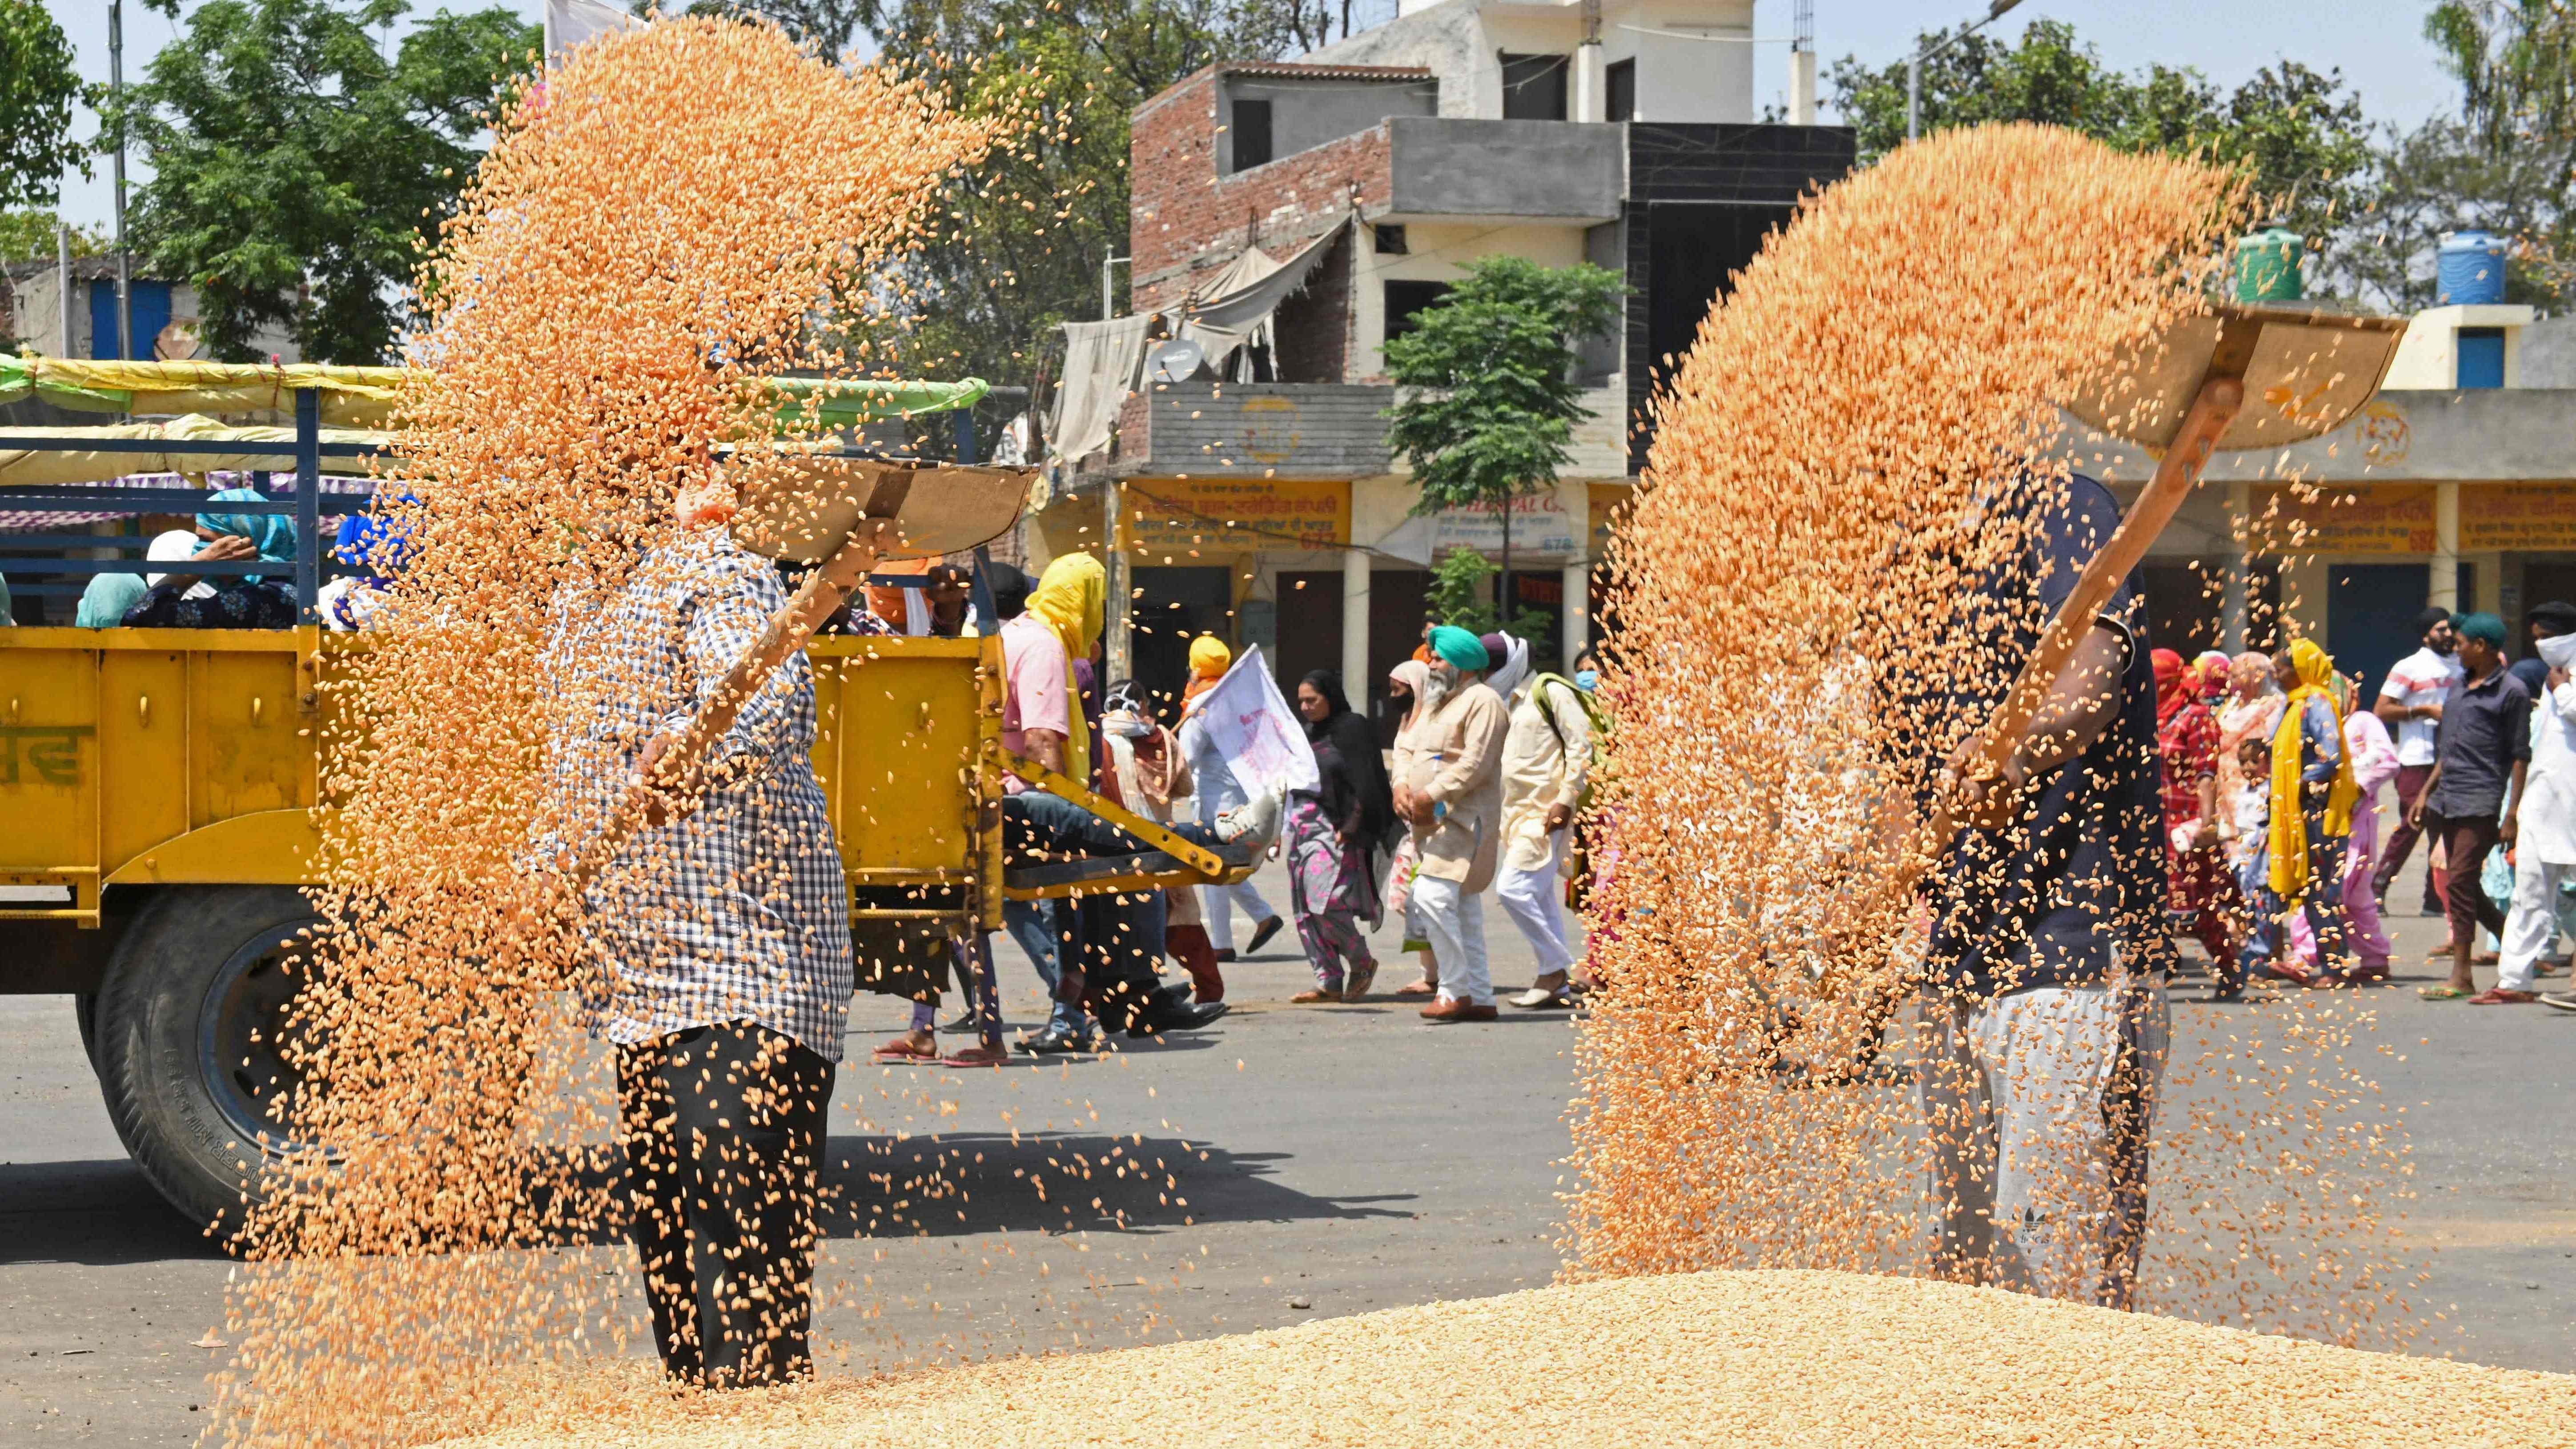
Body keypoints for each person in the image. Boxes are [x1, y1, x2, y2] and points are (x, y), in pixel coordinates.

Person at [551, 502, 885, 1389]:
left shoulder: (713, 571)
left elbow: (766, 699)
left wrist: (696, 751)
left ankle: (762, 1415)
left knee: (742, 1246)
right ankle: (700, 1409)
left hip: (746, 972)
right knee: (672, 1257)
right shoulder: (579, 606)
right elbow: (573, 775)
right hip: (641, 989)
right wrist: (542, 888)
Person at [1916, 471, 2166, 1309]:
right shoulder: (1904, 568)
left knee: (2052, 1250)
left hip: (2074, 950)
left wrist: (2021, 750)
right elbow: (1899, 775)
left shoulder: (2052, 504)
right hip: (1954, 959)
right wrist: (1871, 896)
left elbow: (2093, 667)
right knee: (1966, 1246)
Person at [997, 554, 1107, 1052]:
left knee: (1013, 902)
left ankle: (1076, 1009)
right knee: (1058, 911)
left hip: (997, 797)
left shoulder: (1015, 632)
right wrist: (1065, 813)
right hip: (1030, 801)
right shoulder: (1043, 645)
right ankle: (1073, 1010)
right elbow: (1043, 740)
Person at [1392, 625, 1509, 1023]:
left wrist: (1430, 796)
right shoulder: (1436, 702)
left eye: (1438, 658)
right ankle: (1479, 995)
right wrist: (1401, 786)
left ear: (1461, 663)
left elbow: (1476, 763)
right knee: (1463, 910)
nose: (1432, 664)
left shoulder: (1484, 700)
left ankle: (1453, 989)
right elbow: (1407, 747)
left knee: (1430, 897)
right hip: (1428, 824)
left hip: (1461, 820)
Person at [2413, 612, 2531, 999]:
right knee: (2462, 883)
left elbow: (2518, 755)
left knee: (2461, 879)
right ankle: (2512, 939)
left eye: (2461, 642)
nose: (2455, 646)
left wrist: (2511, 813)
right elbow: (2449, 749)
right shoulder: (2458, 686)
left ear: (2480, 647)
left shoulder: (2510, 691)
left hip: (2481, 799)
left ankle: (2461, 973)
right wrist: (2425, 792)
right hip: (2445, 797)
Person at [2239, 641, 2359, 987]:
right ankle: (2260, 959)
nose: (2276, 672)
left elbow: (2329, 756)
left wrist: (2302, 787)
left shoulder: (2317, 703)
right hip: (2283, 812)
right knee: (2265, 882)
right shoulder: (2291, 705)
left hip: (2314, 814)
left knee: (2319, 891)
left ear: (2302, 670)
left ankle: (2335, 968)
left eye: (2283, 666)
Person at [1101, 681, 1225, 1004]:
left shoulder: (1099, 741)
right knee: (1182, 919)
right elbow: (1183, 788)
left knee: (1118, 925)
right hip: (1163, 841)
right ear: (1141, 705)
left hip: (1110, 844)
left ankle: (1119, 997)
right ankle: (1209, 989)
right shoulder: (1163, 740)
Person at [1285, 670, 1395, 1003]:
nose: (1305, 707)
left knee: (1326, 902)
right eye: (1301, 700)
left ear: (1330, 697)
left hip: (1338, 831)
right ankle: (1328, 980)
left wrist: (1350, 827)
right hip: (1302, 828)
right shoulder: (1307, 734)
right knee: (1304, 908)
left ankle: (1361, 962)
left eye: (1312, 700)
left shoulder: (1351, 729)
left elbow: (1366, 782)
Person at [1495, 659, 1595, 1009]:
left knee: (1511, 889)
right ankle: (1556, 985)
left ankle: (1555, 968)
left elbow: (1582, 745)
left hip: (1547, 812)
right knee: (1539, 897)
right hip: (1518, 815)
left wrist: (1566, 799)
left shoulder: (1550, 691)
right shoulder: (1509, 700)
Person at [1178, 635, 1284, 963]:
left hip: (1213, 800)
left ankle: (1231, 938)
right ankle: (1243, 929)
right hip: (1239, 794)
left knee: (1213, 869)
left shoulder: (1200, 706)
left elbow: (1188, 758)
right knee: (1218, 869)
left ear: (1195, 669)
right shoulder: (1235, 698)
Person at [2485, 627, 2576, 1005]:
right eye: (2536, 634)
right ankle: (2513, 981)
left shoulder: (2559, 681)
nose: (2541, 641)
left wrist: (2563, 691)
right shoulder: (2547, 678)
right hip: (2543, 806)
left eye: (2550, 634)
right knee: (2528, 894)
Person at [2289, 675, 2399, 981]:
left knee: (2334, 887)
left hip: (2353, 821)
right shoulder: (2315, 725)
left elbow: (2386, 760)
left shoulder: (2361, 721)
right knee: (2350, 893)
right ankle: (2375, 957)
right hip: (2316, 819)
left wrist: (2351, 787)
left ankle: (2307, 955)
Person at [2155, 648, 2239, 999]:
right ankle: (2165, 962)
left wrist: (2205, 826)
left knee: (2196, 906)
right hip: (2152, 823)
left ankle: (2229, 966)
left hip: (2185, 827)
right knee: (2149, 902)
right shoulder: (2152, 716)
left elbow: (2206, 774)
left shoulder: (2196, 717)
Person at [2374, 606, 2465, 915]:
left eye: (2450, 629)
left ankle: (2434, 899)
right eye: (2441, 629)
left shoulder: (2462, 666)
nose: (2448, 635)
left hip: (2451, 757)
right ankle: (2377, 887)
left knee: (2443, 829)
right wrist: (2423, 710)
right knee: (2413, 823)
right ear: (2426, 634)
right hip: (2416, 757)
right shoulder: (2409, 666)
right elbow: (2382, 710)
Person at [122, 489, 300, 628]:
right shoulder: (280, 591)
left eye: (207, 542)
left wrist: (198, 566)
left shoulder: (253, 600)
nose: (198, 550)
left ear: (243, 545)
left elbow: (140, 617)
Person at [1385, 658, 1440, 997]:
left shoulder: (1433, 722)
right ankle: (1431, 972)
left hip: (1431, 823)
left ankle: (1439, 973)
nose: (1393, 695)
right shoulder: (1407, 720)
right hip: (1408, 825)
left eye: (1398, 689)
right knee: (1406, 899)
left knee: (1424, 899)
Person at [2507, 600, 2576, 702]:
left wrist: (2560, 689)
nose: (2540, 644)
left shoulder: (2559, 681)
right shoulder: (2554, 674)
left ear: (2567, 635)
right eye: (2537, 638)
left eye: (2546, 636)